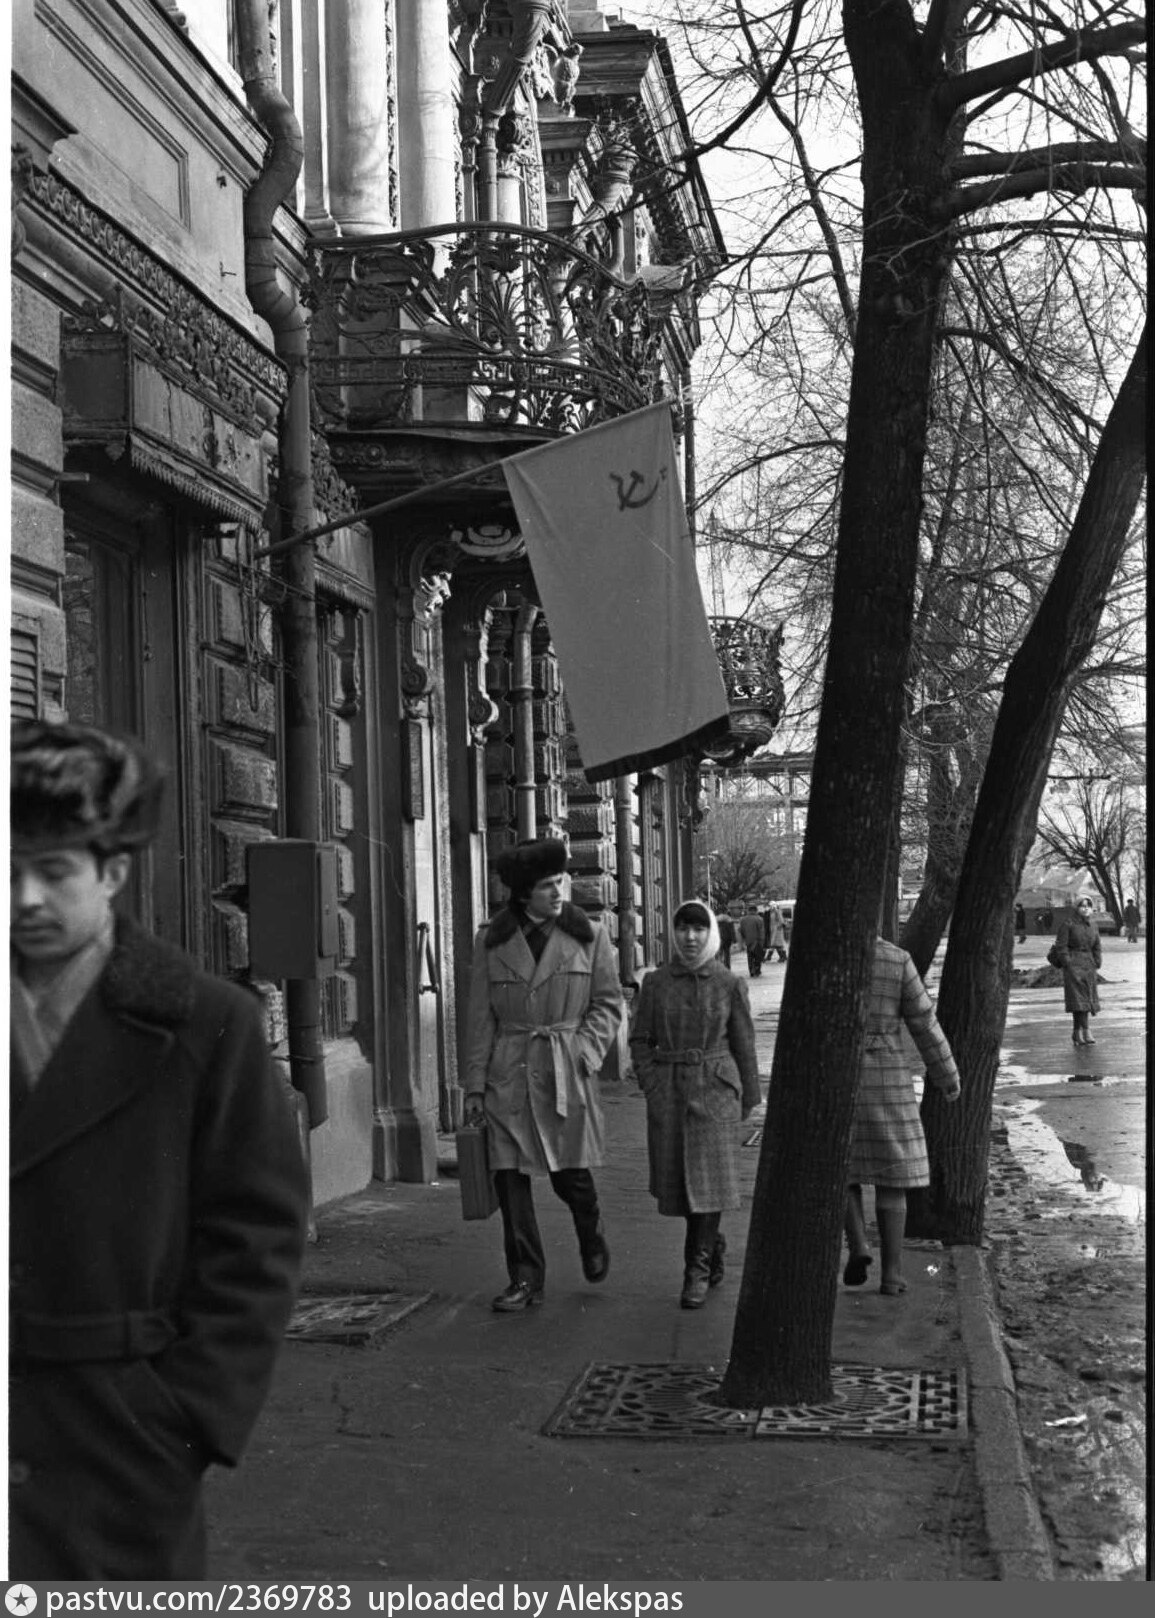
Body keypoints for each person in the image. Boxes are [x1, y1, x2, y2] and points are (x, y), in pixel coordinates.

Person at [9, 719, 309, 1578]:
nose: (24, 899)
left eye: (53, 871)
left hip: (118, 1436)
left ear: (112, 872)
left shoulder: (205, 1024)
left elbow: (255, 1237)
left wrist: (184, 1418)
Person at [464, 838, 623, 1313]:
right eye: (546, 886)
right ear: (522, 894)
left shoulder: (590, 935)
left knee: (570, 1175)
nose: (558, 893)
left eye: (560, 882)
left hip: (564, 1068)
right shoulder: (491, 941)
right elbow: (481, 1017)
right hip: (509, 1072)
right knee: (510, 1180)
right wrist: (475, 1085)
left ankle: (590, 1232)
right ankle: (525, 1278)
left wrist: (585, 1053)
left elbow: (608, 1003)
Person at [630, 901, 761, 1309]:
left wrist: (749, 1095)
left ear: (711, 934)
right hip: (669, 1092)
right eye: (683, 928)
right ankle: (712, 1243)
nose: (690, 937)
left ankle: (696, 1271)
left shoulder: (728, 983)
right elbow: (639, 1040)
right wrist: (652, 1083)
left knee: (708, 1182)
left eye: (699, 929)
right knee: (682, 1184)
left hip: (716, 1092)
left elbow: (744, 1043)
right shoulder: (655, 983)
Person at [842, 938, 961, 1297]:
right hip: (888, 1077)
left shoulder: (831, 953)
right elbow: (924, 1022)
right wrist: (947, 1076)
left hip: (839, 1075)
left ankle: (859, 1245)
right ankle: (892, 1274)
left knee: (843, 1171)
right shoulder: (896, 960)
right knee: (893, 1180)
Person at [1053, 896, 1102, 1045]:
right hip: (1073, 965)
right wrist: (1068, 963)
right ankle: (1086, 1031)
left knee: (1085, 1000)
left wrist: (1097, 961)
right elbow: (1061, 946)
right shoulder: (1068, 924)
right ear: (1076, 908)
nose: (1086, 908)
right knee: (1078, 1000)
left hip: (1089, 965)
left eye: (1088, 905)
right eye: (1082, 905)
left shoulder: (1093, 925)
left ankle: (1076, 1032)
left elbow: (1097, 945)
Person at [737, 904, 765, 976]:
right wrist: (762, 941)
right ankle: (757, 970)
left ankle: (751, 970)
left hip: (748, 941)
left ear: (748, 910)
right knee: (757, 956)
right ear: (756, 910)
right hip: (757, 941)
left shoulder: (743, 919)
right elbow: (761, 931)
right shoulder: (759, 919)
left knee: (750, 956)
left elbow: (740, 930)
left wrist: (744, 938)